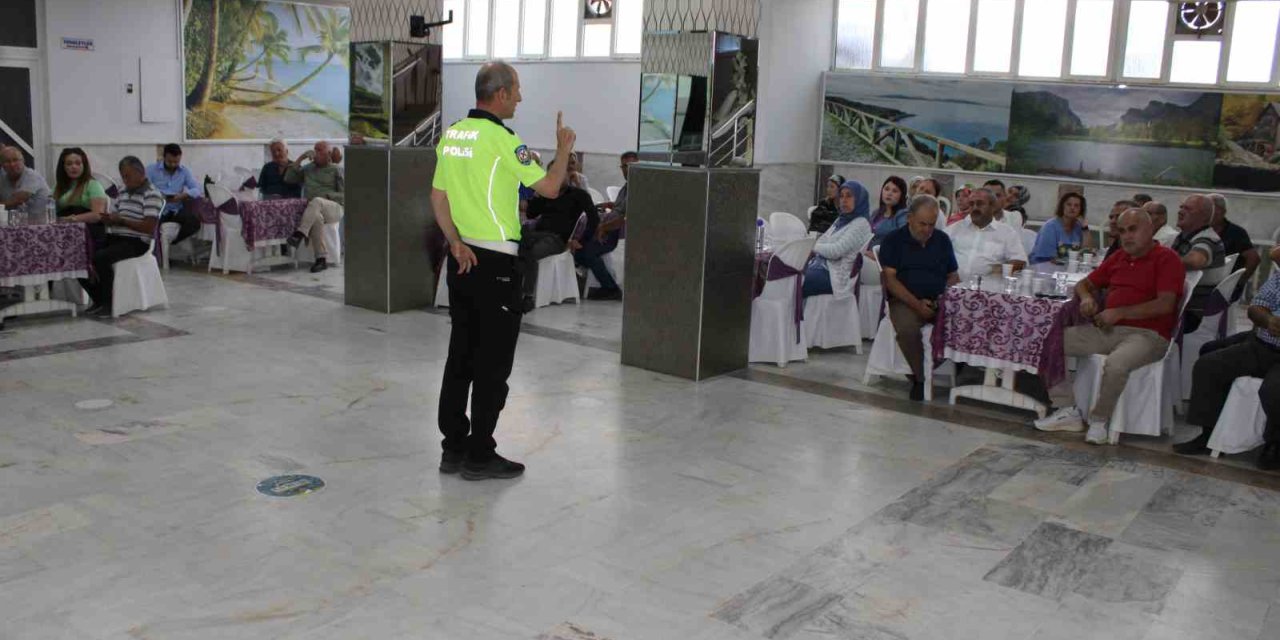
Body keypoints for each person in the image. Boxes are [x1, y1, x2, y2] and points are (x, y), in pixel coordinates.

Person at [430, 61, 575, 481]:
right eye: (517, 90)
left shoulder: (453, 134)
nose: (521, 98)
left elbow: (438, 197)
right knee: (492, 363)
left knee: (461, 356)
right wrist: (563, 149)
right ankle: (480, 455)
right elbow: (548, 188)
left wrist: (454, 241)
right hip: (494, 262)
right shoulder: (503, 139)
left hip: (463, 258)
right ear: (500, 94)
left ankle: (453, 448)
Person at [1034, 208, 1186, 444]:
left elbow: (1165, 305)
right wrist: (1086, 298)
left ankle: (1099, 421)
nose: (1126, 236)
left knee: (1116, 364)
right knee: (1052, 341)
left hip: (1148, 335)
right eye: (1122, 231)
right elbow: (1084, 284)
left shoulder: (1167, 259)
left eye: (1133, 230)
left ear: (1150, 229)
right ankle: (1067, 409)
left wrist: (1120, 312)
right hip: (1107, 330)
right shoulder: (1118, 257)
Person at [1175, 245, 1280, 469]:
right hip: (1263, 345)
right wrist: (1269, 320)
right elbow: (1256, 307)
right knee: (1208, 366)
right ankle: (1208, 433)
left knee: (1273, 390)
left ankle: (1274, 445)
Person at [879, 195, 959, 401]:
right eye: (922, 224)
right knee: (907, 330)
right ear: (910, 218)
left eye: (931, 224)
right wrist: (917, 304)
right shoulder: (893, 240)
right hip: (904, 300)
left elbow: (953, 276)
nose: (927, 229)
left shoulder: (941, 240)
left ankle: (946, 367)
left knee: (965, 324)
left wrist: (941, 298)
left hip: (937, 299)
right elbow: (890, 280)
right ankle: (920, 377)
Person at [80, 156, 162, 316]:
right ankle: (98, 299)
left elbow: (148, 227)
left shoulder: (152, 194)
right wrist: (108, 219)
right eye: (123, 176)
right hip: (117, 236)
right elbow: (115, 213)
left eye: (128, 176)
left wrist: (122, 221)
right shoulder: (123, 192)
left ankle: (109, 303)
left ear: (141, 173)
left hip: (137, 242)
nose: (125, 180)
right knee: (83, 256)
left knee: (102, 258)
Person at [524, 156, 598, 298]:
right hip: (536, 234)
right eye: (552, 173)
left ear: (567, 174)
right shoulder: (547, 194)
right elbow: (530, 214)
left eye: (559, 173)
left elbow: (594, 218)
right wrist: (537, 196)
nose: (555, 177)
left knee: (530, 253)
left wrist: (581, 241)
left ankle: (526, 294)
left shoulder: (579, 195)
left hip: (556, 240)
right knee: (512, 247)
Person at [580, 151, 638, 300]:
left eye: (631, 165)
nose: (627, 169)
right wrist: (608, 205)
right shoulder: (627, 187)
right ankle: (588, 283)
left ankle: (610, 288)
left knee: (588, 252)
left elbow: (625, 218)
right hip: (607, 227)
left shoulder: (638, 188)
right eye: (624, 166)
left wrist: (603, 228)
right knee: (579, 247)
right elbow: (620, 208)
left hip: (614, 232)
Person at [802, 179, 873, 298]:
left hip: (836, 276)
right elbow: (823, 241)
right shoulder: (842, 219)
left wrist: (812, 245)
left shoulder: (861, 224)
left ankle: (790, 315)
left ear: (860, 199)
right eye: (841, 196)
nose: (844, 200)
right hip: (824, 267)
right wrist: (819, 246)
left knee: (795, 281)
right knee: (791, 274)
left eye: (849, 196)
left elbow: (835, 251)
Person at [284, 141, 345, 272]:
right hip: (314, 210)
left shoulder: (336, 169)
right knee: (316, 218)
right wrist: (301, 158)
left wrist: (328, 196)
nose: (315, 153)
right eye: (314, 150)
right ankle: (321, 259)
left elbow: (346, 194)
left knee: (317, 200)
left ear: (328, 154)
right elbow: (288, 179)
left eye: (319, 150)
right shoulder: (308, 168)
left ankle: (299, 234)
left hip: (334, 208)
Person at [945, 187, 1027, 280]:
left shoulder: (1007, 233)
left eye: (980, 204)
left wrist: (1000, 270)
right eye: (971, 204)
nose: (975, 208)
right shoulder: (954, 229)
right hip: (952, 288)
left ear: (992, 206)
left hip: (988, 290)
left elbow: (1020, 261)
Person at [1172, 194, 1226, 332]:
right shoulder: (1185, 237)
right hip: (1181, 304)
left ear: (1203, 216)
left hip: (1191, 312)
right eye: (1181, 207)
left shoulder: (1208, 238)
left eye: (1188, 209)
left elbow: (1196, 260)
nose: (1180, 211)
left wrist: (1162, 260)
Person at [145, 143, 201, 247]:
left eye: (176, 162)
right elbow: (143, 188)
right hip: (157, 209)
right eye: (170, 161)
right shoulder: (151, 170)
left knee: (194, 223)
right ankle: (156, 251)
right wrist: (157, 195)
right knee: (149, 227)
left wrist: (183, 195)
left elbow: (197, 189)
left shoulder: (184, 171)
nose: (173, 165)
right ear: (164, 157)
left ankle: (171, 244)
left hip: (175, 210)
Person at [51, 147, 109, 245]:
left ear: (84, 166)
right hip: (62, 231)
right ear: (63, 167)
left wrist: (73, 219)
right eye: (69, 164)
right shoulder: (58, 187)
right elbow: (51, 211)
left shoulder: (93, 185)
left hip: (87, 230)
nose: (74, 167)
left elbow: (98, 215)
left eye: (78, 163)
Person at [1207, 193, 1260, 299]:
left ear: (1221, 211)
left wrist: (1238, 283)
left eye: (1208, 208)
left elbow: (1254, 258)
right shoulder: (1201, 229)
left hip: (1222, 288)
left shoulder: (1236, 232)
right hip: (1203, 281)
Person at [1029, 192, 1091, 263]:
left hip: (1065, 268)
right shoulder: (1050, 226)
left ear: (1081, 210)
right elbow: (1050, 258)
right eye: (1069, 204)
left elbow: (1086, 253)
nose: (1072, 208)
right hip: (1043, 267)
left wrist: (1085, 229)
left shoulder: (1079, 226)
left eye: (1076, 206)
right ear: (1062, 207)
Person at [0, 146, 50, 220]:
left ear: (23, 161)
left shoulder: (32, 176)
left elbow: (17, 201)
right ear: (2, 165)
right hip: (15, 225)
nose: (12, 164)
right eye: (7, 161)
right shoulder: (2, 176)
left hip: (40, 226)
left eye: (15, 160)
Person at [869, 176, 908, 245]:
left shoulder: (903, 215)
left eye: (895, 191)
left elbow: (904, 241)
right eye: (886, 189)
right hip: (866, 253)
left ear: (902, 196)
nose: (889, 193)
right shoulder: (876, 213)